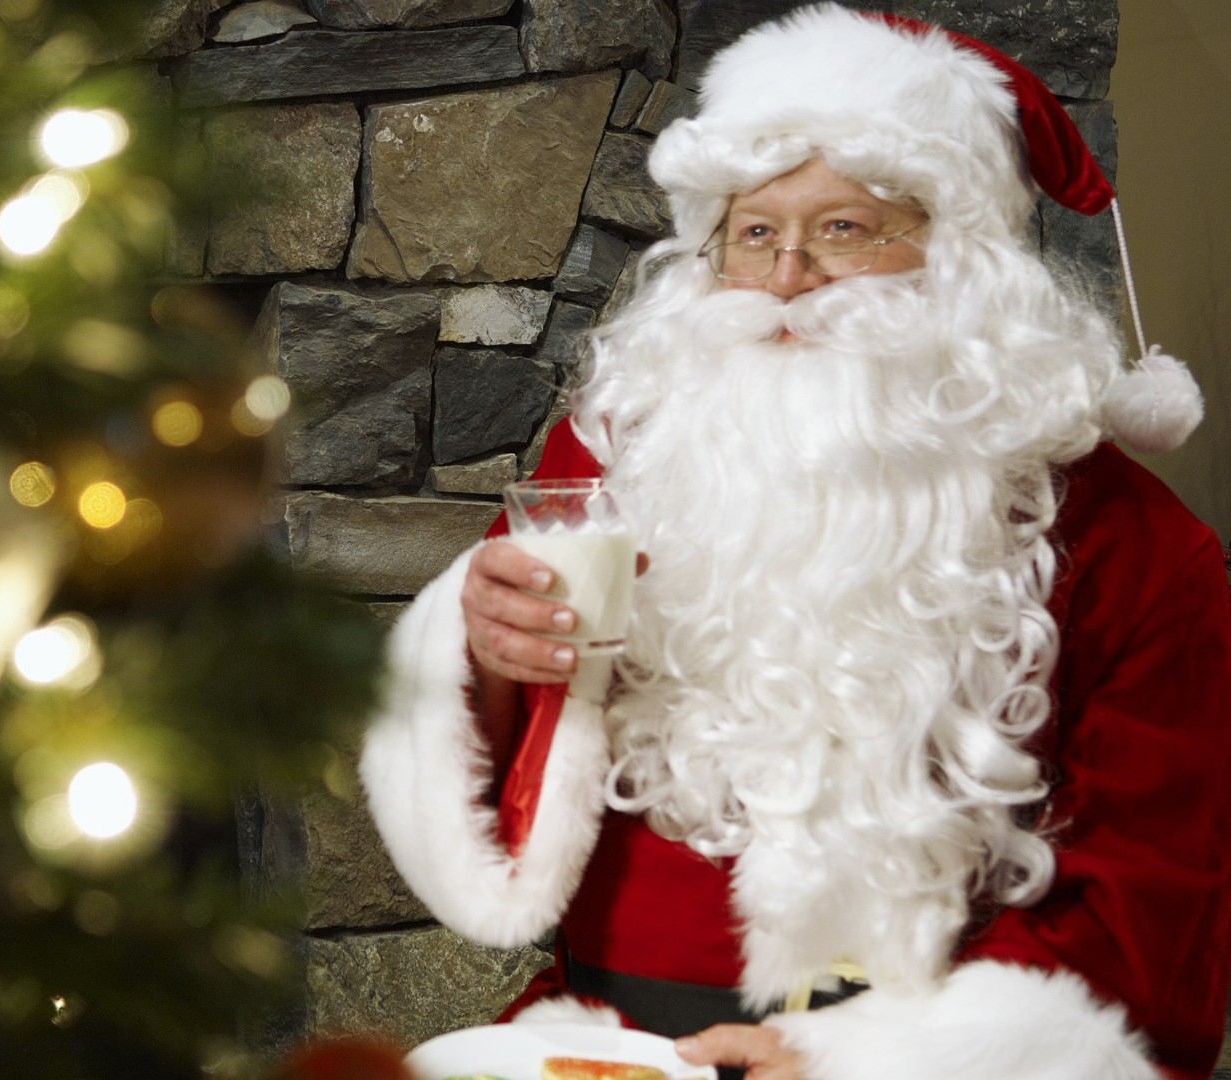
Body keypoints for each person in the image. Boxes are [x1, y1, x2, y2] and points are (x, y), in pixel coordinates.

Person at [359, 5, 1231, 1079]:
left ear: (961, 263)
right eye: (755, 232)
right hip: (602, 1045)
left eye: (845, 230)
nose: (785, 279)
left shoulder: (1137, 546)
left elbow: (1150, 908)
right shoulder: (615, 461)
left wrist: (867, 1063)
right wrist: (483, 651)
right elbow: (497, 749)